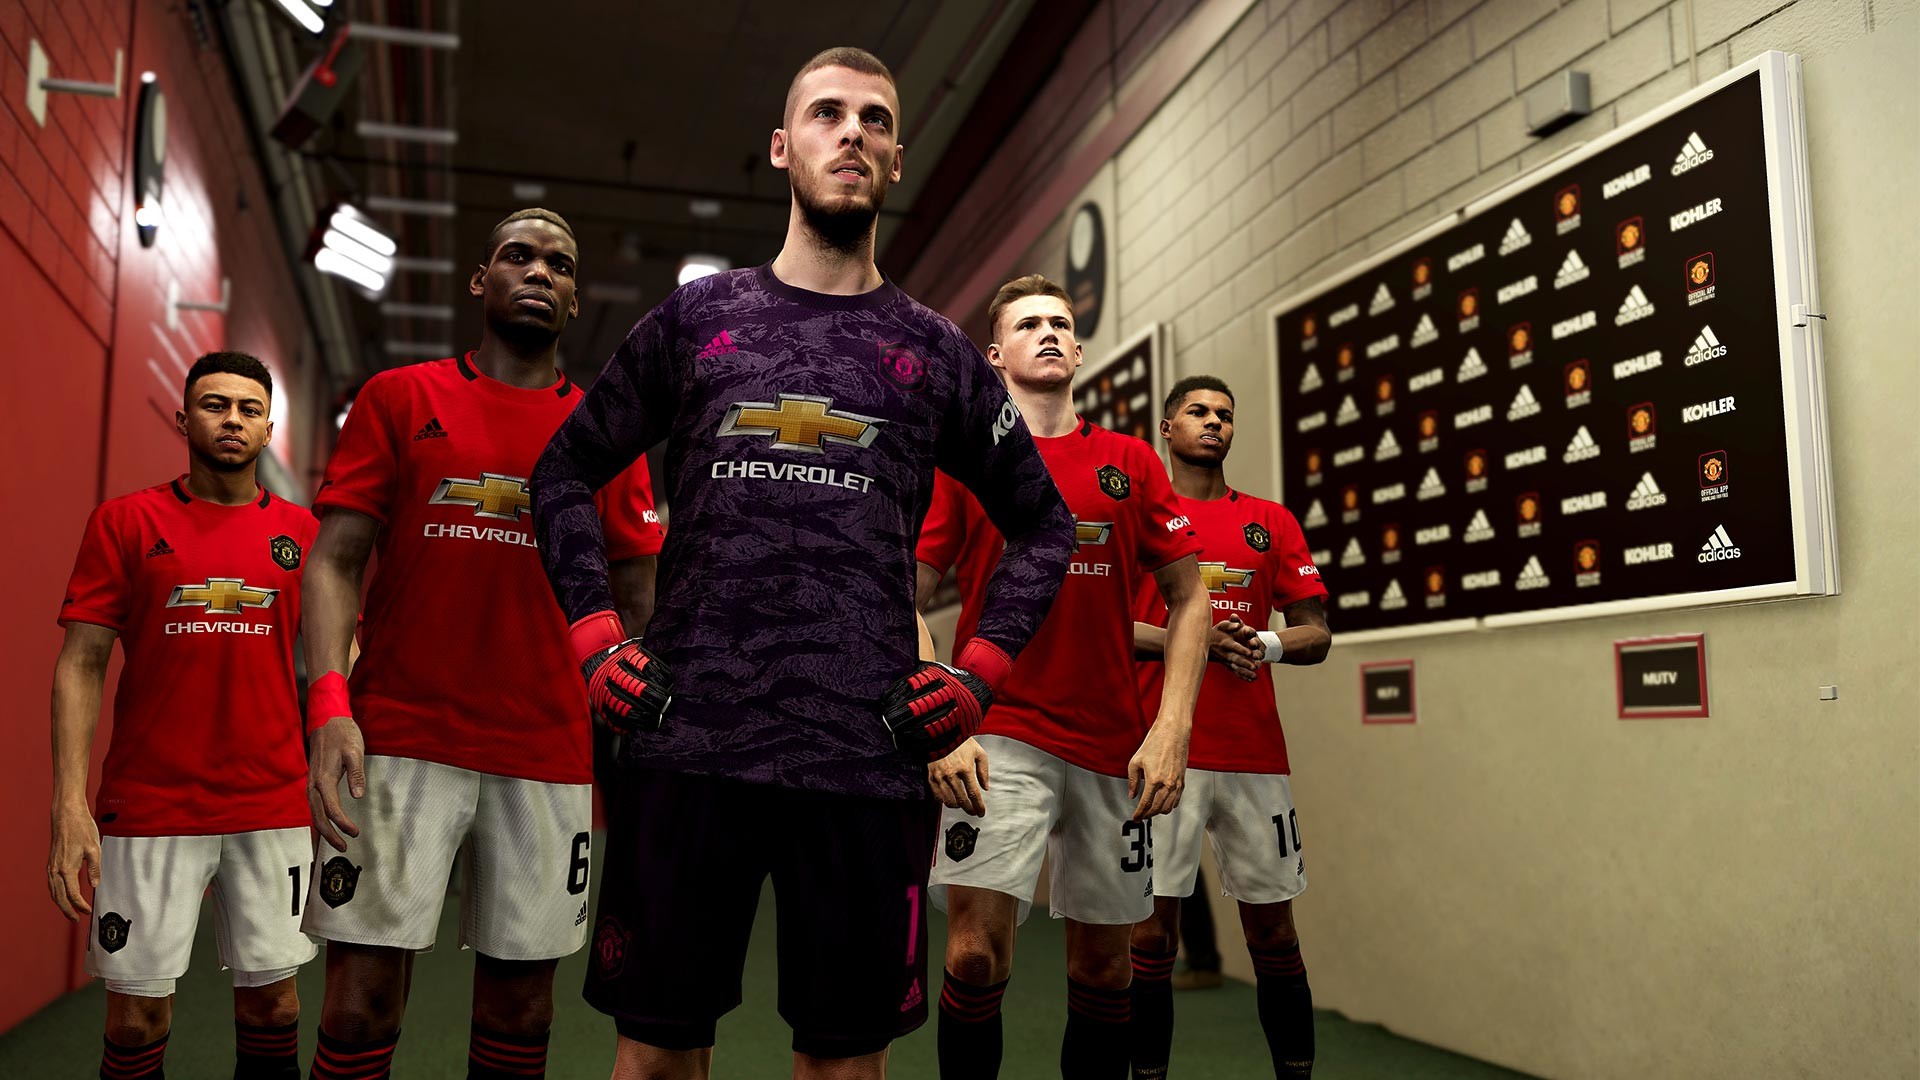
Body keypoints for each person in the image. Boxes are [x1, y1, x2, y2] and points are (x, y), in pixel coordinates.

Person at [529, 47, 1075, 1080]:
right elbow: (561, 472)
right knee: (654, 1057)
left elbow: (1047, 527)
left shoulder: (936, 352)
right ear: (783, 147)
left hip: (866, 757)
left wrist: (976, 678)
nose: (852, 132)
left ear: (897, 160)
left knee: (842, 1065)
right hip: (688, 745)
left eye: (876, 119)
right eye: (827, 114)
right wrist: (597, 643)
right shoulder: (697, 320)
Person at [301, 209, 664, 1080]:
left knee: (520, 1011)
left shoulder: (607, 432)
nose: (539, 272)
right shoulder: (400, 398)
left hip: (546, 750)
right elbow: (334, 561)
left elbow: (640, 599)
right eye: (518, 256)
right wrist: (329, 706)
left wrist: (634, 725)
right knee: (357, 1005)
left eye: (559, 265)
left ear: (574, 299)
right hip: (400, 740)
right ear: (481, 280)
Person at [916, 274, 1211, 1080]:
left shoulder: (1131, 462)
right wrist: (942, 720)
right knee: (974, 956)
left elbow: (1191, 600)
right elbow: (904, 591)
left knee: (1106, 969)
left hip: (1113, 743)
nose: (1047, 332)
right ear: (995, 355)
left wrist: (1172, 727)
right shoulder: (968, 459)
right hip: (998, 733)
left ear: (1078, 352)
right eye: (1028, 324)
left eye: (1060, 323)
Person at [50, 351, 317, 1080]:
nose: (232, 419)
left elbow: (341, 660)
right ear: (183, 418)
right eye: (214, 404)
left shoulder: (305, 534)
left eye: (249, 409)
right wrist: (68, 803)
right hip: (151, 806)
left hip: (272, 805)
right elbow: (80, 664)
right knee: (136, 1017)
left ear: (268, 429)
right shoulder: (125, 522)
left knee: (275, 1007)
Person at [1127, 376, 1332, 1080]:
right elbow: (1103, 627)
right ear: (1167, 428)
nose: (1214, 422)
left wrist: (1262, 644)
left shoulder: (1271, 521)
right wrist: (1195, 641)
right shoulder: (1138, 517)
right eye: (1198, 412)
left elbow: (1316, 632)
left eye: (1225, 414)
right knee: (1151, 940)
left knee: (1274, 936)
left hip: (1254, 757)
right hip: (1161, 753)